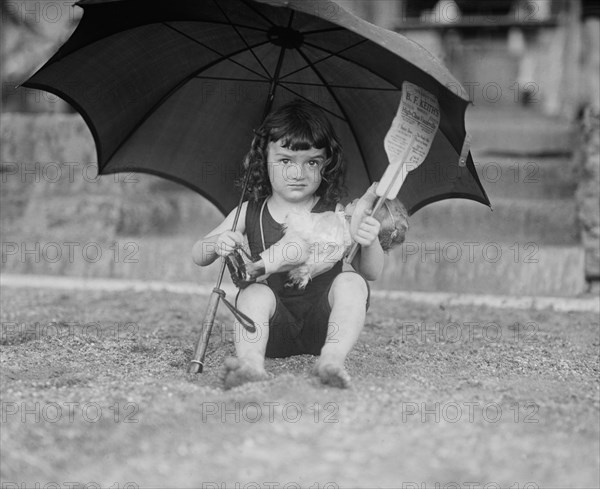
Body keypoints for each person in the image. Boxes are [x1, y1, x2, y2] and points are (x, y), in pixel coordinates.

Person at [192, 99, 384, 389]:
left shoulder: (336, 211)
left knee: (353, 283)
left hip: (325, 322)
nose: (298, 173)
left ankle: (331, 360)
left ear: (326, 163)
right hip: (272, 329)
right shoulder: (248, 211)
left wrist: (370, 242)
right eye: (285, 161)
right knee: (253, 292)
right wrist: (219, 241)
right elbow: (198, 255)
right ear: (262, 160)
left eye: (312, 162)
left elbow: (371, 272)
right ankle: (251, 364)